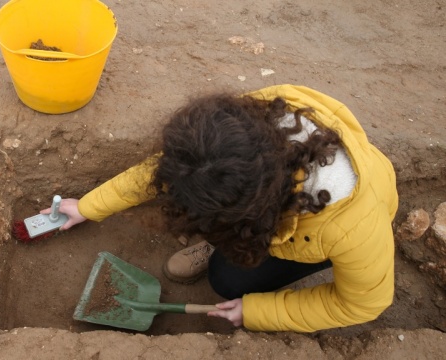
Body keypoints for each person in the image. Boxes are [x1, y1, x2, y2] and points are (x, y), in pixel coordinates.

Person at [42, 84, 398, 332]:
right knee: (227, 267)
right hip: (272, 215)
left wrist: (259, 311)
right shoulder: (248, 122)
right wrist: (89, 206)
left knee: (226, 280)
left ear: (251, 217)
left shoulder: (353, 230)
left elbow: (363, 304)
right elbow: (177, 169)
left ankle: (232, 248)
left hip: (312, 238)